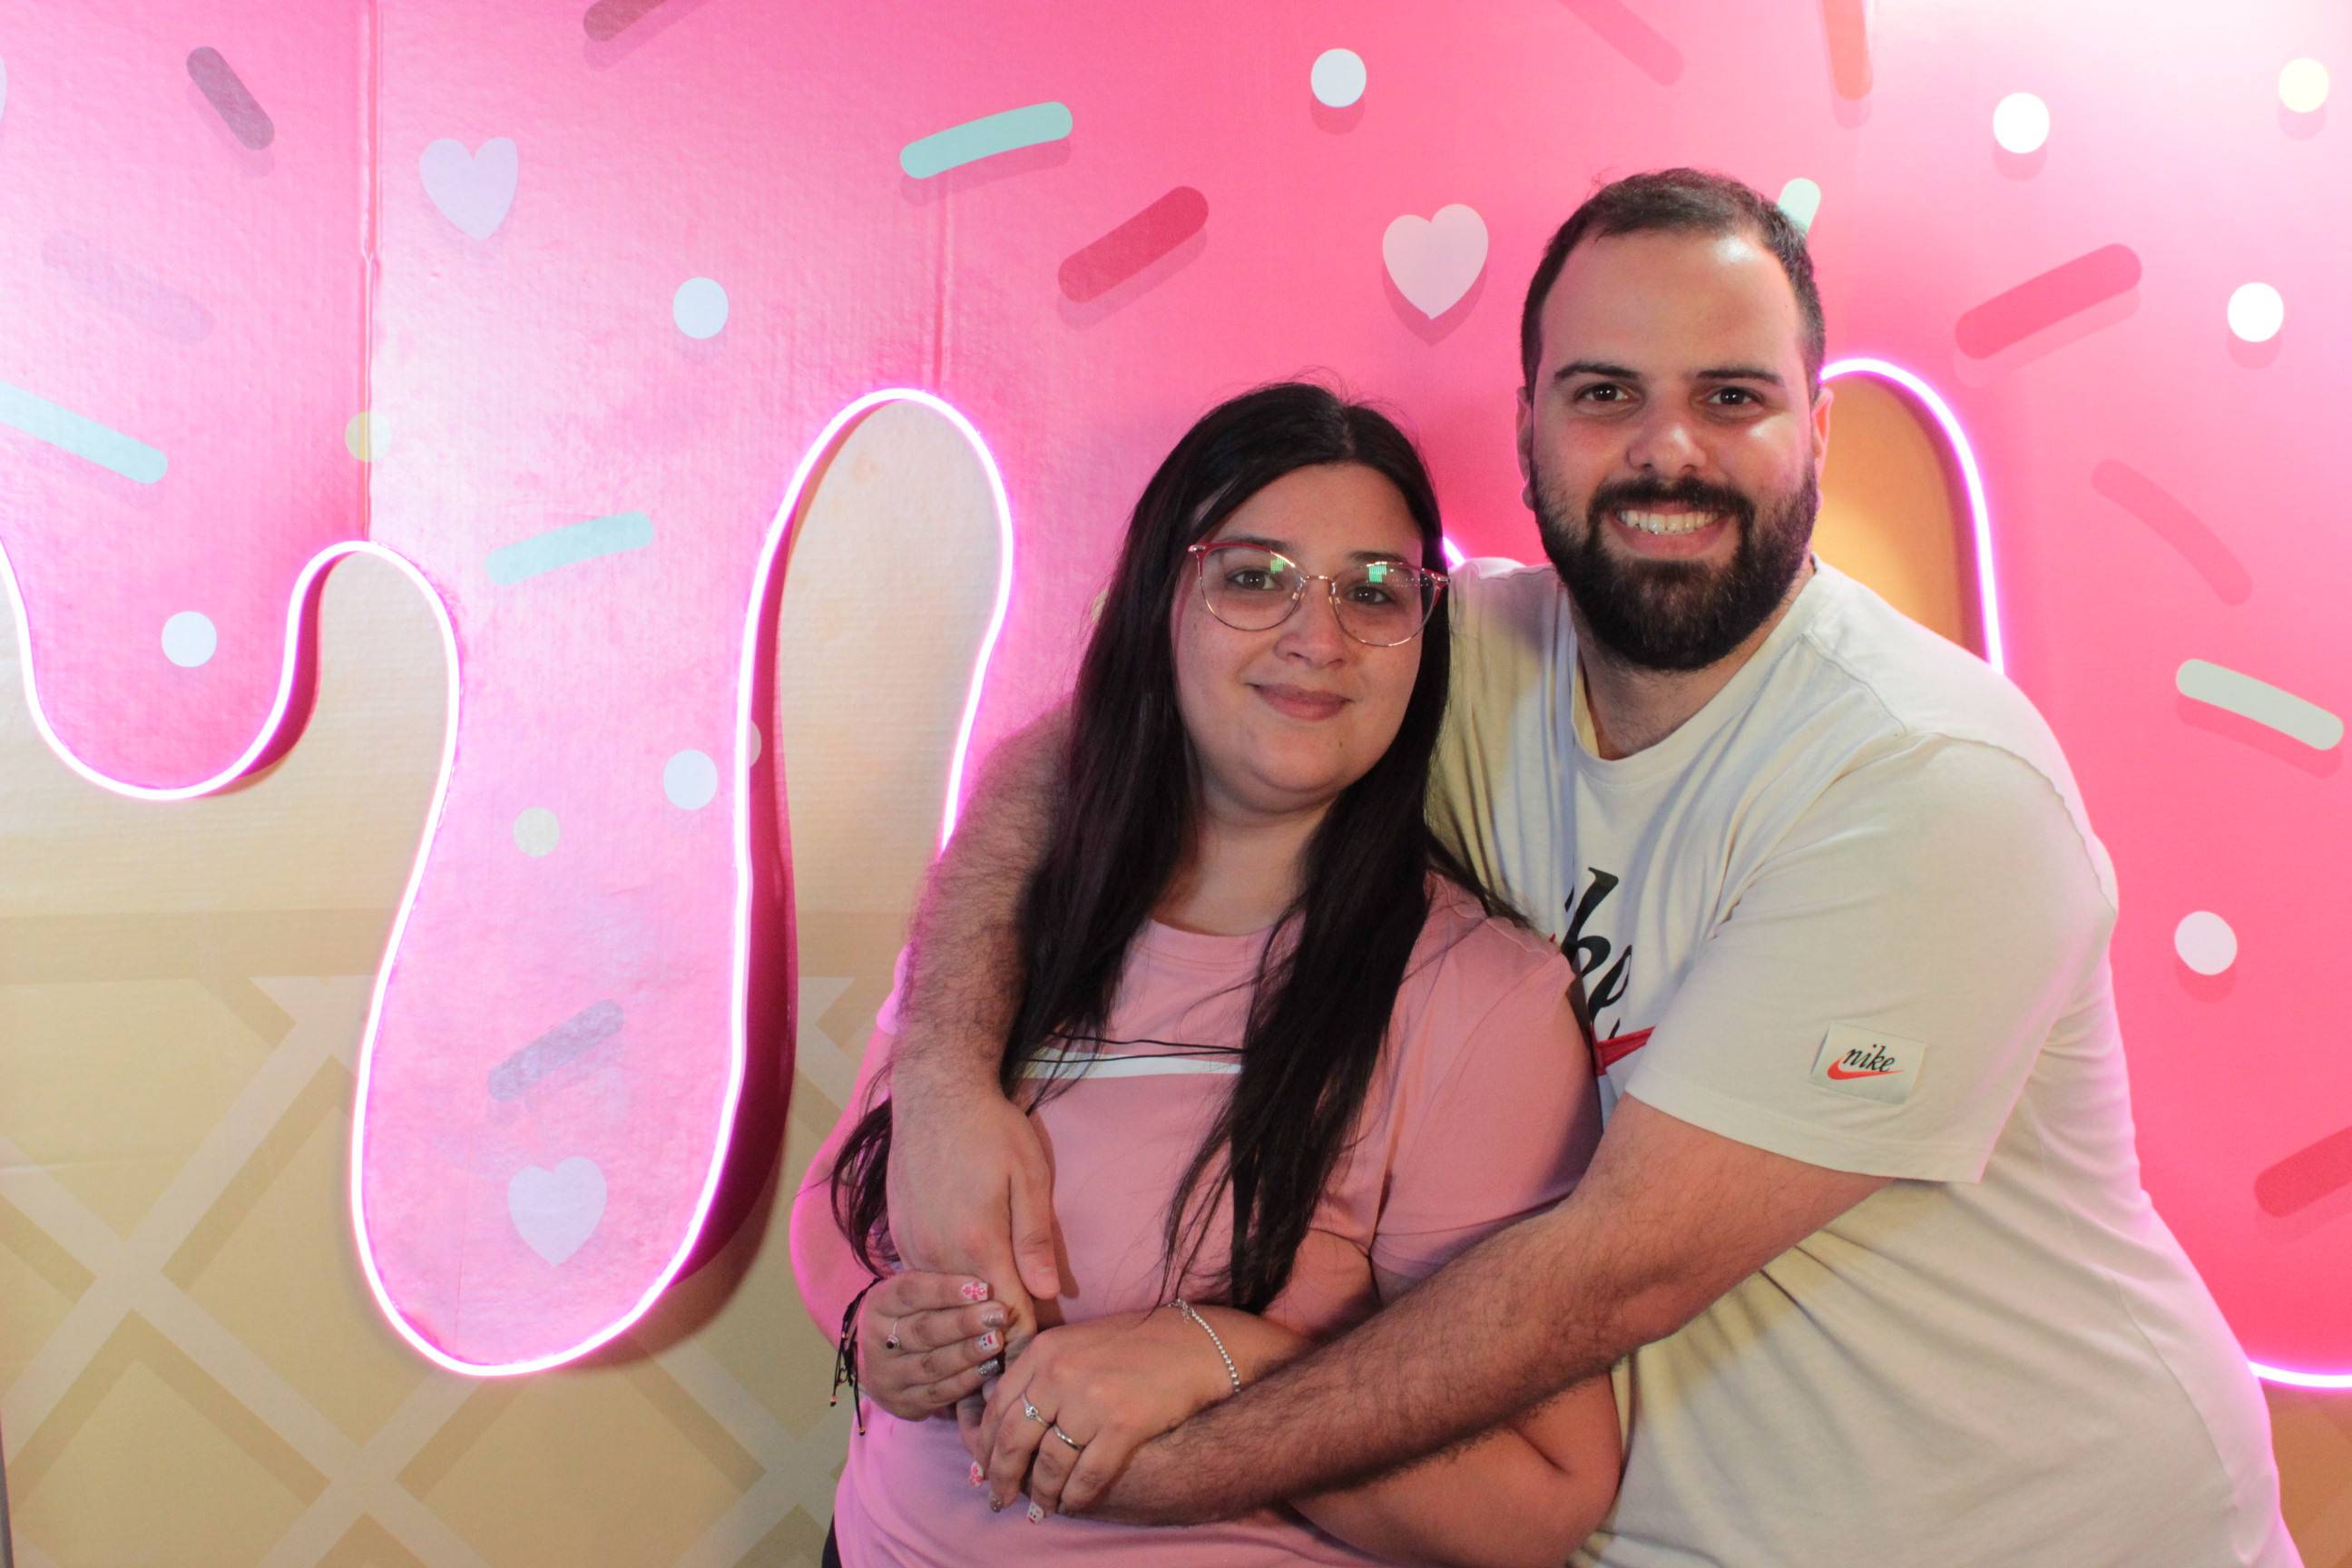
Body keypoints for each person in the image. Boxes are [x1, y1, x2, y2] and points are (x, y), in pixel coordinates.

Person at [877, 171, 2300, 1566]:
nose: (1666, 451)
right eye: (1606, 392)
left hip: (2048, 1528)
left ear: (1818, 428)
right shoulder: (1450, 654)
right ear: (1529, 428)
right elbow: (1099, 740)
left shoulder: (1925, 782)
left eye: (1731, 397)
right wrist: (941, 1085)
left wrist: (1152, 1451)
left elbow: (1615, 1273)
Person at [790, 381, 1621, 1566]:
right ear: (1160, 604)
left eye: (1373, 591)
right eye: (1254, 576)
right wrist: (877, 1327)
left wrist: (1234, 1357)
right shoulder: (1003, 918)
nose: (1318, 637)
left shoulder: (1480, 1004)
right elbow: (842, 1205)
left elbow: (1534, 1508)